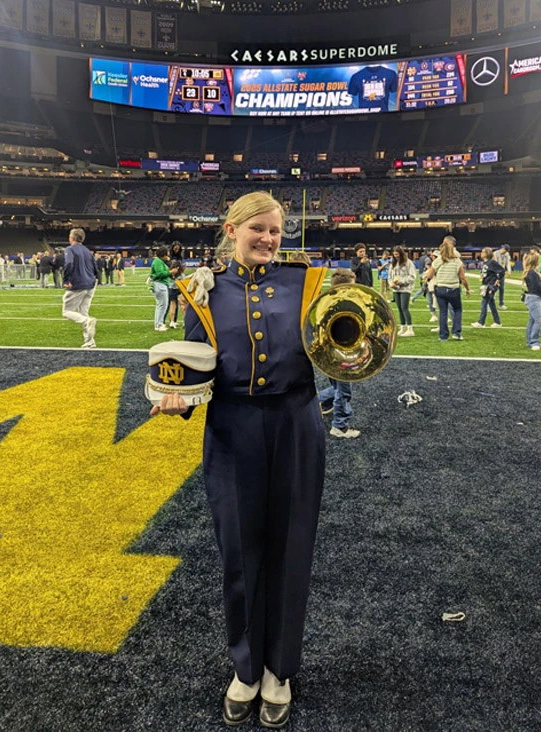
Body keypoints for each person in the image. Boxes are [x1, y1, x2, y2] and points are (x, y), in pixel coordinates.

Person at [152, 191, 327, 729]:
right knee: (241, 553)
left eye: (276, 232)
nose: (270, 240)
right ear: (232, 229)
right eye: (260, 230)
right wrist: (177, 400)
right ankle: (247, 670)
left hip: (297, 426)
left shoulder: (308, 283)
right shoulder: (202, 291)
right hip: (231, 431)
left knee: (290, 548)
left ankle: (281, 670)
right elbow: (191, 369)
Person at [318, 268, 360, 438]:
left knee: (337, 386)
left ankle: (318, 401)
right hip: (338, 354)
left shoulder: (328, 301)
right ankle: (339, 426)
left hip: (331, 354)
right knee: (344, 390)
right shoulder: (341, 305)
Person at [426, 235, 470, 341]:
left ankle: (443, 336)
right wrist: (467, 289)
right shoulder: (457, 261)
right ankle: (456, 333)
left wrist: (427, 282)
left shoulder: (438, 260)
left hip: (440, 288)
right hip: (453, 289)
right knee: (458, 310)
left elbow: (429, 275)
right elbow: (463, 277)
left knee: (443, 312)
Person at [62, 228, 98, 349]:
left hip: (78, 283)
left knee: (67, 311)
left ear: (72, 238)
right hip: (90, 284)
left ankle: (85, 322)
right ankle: (89, 341)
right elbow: (95, 267)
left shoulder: (70, 249)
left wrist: (66, 280)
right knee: (84, 312)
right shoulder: (88, 251)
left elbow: (69, 263)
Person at [471, 247, 504, 329]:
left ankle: (481, 322)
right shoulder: (486, 263)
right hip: (486, 285)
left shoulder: (492, 262)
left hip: (490, 285)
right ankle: (497, 322)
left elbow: (502, 270)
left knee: (484, 303)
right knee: (491, 304)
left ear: (487, 253)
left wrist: (498, 280)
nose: (481, 253)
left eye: (483, 252)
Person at [522, 251, 541, 352]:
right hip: (535, 298)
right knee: (539, 320)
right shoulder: (532, 273)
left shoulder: (530, 272)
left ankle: (530, 341)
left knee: (532, 320)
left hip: (533, 298)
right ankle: (534, 341)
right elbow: (537, 286)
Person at [389, 245, 416, 336]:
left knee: (404, 308)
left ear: (401, 254)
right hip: (396, 289)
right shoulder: (393, 263)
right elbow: (390, 276)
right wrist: (391, 284)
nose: (396, 256)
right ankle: (403, 327)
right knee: (400, 308)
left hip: (406, 288)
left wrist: (402, 281)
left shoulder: (409, 263)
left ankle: (410, 329)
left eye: (397, 254)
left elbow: (412, 276)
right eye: (394, 254)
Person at [149, 245, 174, 332]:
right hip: (160, 285)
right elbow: (160, 274)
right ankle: (159, 324)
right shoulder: (158, 261)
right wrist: (170, 272)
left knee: (161, 305)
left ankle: (159, 323)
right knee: (162, 305)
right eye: (167, 254)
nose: (168, 256)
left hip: (161, 285)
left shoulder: (159, 261)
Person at [493, 244, 511, 309]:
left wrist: (509, 270)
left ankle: (501, 304)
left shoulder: (507, 254)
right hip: (495, 273)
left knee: (502, 288)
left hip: (502, 273)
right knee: (494, 287)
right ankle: (491, 302)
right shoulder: (495, 253)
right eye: (505, 250)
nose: (506, 252)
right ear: (503, 248)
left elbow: (508, 263)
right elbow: (494, 263)